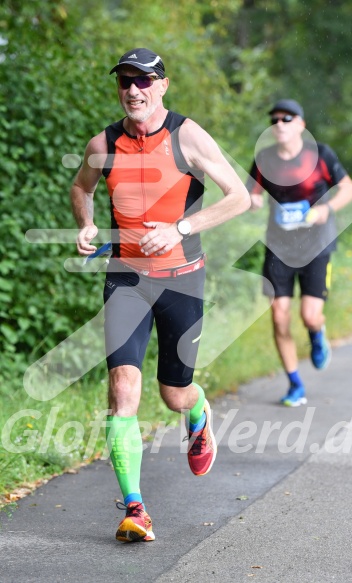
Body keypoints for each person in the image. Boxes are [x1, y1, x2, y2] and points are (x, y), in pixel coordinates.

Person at [70, 48, 251, 542]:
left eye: (144, 81)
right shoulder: (102, 143)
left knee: (173, 394)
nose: (133, 90)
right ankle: (134, 509)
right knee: (123, 391)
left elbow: (241, 196)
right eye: (125, 81)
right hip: (126, 277)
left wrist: (181, 227)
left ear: (162, 86)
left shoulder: (186, 135)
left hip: (182, 278)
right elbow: (81, 187)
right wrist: (86, 225)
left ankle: (197, 411)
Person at [247, 99, 352, 407]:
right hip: (278, 248)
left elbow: (349, 189)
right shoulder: (264, 158)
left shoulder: (320, 154)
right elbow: (251, 195)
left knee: (309, 315)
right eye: (274, 119)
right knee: (279, 316)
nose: (279, 124)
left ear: (301, 124)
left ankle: (316, 333)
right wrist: (251, 202)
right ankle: (295, 384)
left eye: (286, 118)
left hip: (317, 245)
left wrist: (326, 208)